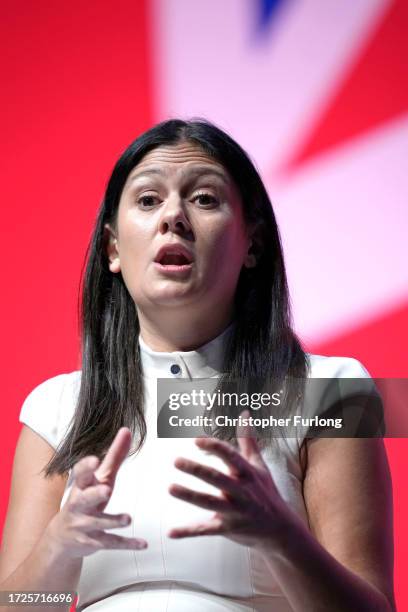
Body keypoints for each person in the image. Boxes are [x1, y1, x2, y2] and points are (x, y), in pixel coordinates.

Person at [0, 119, 395, 611]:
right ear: (113, 249)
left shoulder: (333, 392)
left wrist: (281, 537)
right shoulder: (56, 407)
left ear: (252, 244)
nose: (173, 217)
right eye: (148, 200)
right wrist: (59, 546)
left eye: (204, 198)